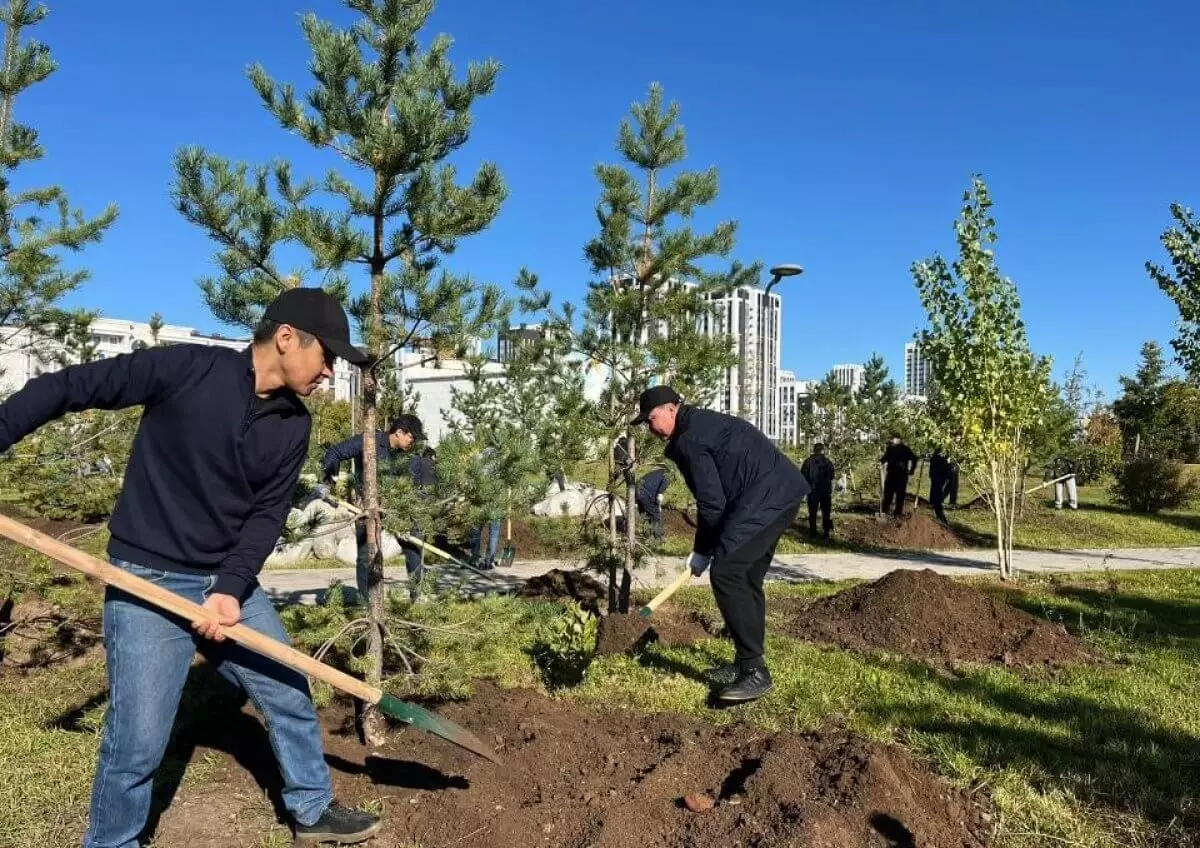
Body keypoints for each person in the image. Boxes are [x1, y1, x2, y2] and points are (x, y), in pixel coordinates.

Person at [0, 288, 381, 846]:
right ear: (285, 338)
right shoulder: (186, 369)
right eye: (327, 356)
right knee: (137, 741)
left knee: (287, 692)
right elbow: (66, 387)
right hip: (146, 579)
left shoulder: (293, 426)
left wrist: (229, 591)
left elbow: (266, 516)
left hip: (227, 584)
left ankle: (312, 809)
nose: (330, 372)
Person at [633, 385, 809, 703]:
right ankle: (746, 664)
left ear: (671, 409)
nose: (650, 427)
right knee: (745, 577)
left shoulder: (689, 439)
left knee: (727, 574)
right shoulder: (699, 425)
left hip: (764, 499)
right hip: (781, 493)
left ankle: (755, 672)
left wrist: (702, 551)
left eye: (651, 418)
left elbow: (712, 503)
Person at [320, 413, 427, 601]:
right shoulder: (369, 441)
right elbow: (335, 452)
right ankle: (366, 602)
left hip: (396, 509)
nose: (415, 441)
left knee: (414, 548)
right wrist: (330, 483)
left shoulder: (411, 456)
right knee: (365, 556)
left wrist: (411, 514)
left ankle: (417, 596)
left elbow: (417, 487)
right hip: (367, 507)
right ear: (399, 432)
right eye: (412, 436)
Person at [800, 443, 835, 538]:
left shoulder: (807, 462)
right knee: (826, 512)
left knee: (812, 512)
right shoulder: (828, 462)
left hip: (812, 491)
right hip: (825, 491)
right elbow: (832, 477)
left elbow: (802, 476)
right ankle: (826, 533)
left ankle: (812, 533)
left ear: (814, 450)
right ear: (823, 450)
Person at [880, 434, 918, 518]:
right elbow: (885, 458)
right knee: (888, 493)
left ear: (901, 440)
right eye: (893, 439)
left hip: (901, 475)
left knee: (900, 495)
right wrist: (880, 462)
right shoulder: (890, 448)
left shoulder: (905, 449)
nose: (894, 440)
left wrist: (912, 470)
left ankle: (897, 513)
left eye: (896, 439)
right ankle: (884, 510)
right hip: (891, 474)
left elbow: (914, 458)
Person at [635, 466, 671, 545]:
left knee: (645, 516)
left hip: (638, 492)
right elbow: (660, 494)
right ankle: (658, 539)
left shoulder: (658, 472)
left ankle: (645, 538)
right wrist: (659, 506)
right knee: (656, 516)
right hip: (645, 494)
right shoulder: (668, 475)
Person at [928, 448, 954, 523]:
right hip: (939, 476)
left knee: (937, 491)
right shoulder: (938, 458)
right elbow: (942, 464)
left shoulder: (939, 457)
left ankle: (936, 505)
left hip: (939, 476)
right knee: (938, 493)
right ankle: (939, 514)